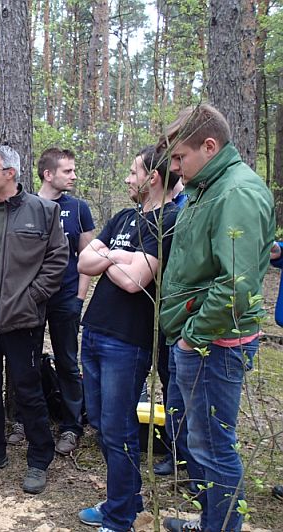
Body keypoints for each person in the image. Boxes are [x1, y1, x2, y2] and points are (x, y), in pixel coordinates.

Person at [157, 104, 275, 532]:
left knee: (213, 448)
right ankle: (210, 520)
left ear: (210, 146)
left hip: (214, 345)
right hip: (197, 339)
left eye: (179, 157)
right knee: (198, 442)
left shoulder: (235, 192)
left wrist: (193, 337)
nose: (173, 167)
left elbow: (237, 285)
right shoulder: (207, 186)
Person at [76, 147, 180, 532]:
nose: (126, 179)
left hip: (128, 341)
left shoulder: (168, 221)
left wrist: (109, 256)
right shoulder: (123, 217)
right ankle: (127, 498)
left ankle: (118, 518)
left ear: (152, 177)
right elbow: (83, 261)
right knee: (102, 424)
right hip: (96, 330)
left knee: (119, 428)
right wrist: (122, 257)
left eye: (132, 172)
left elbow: (138, 282)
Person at [0, 145, 68, 494]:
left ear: (10, 173)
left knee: (27, 389)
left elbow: (57, 260)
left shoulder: (43, 211)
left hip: (21, 318)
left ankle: (39, 459)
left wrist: (32, 296)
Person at [35, 148, 95, 455]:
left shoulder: (78, 208)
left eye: (73, 170)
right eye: (67, 171)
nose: (73, 176)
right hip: (31, 300)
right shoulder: (28, 206)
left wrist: (79, 297)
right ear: (49, 174)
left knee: (68, 362)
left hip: (66, 297)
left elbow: (88, 256)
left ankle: (71, 426)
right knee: (28, 361)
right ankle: (25, 420)